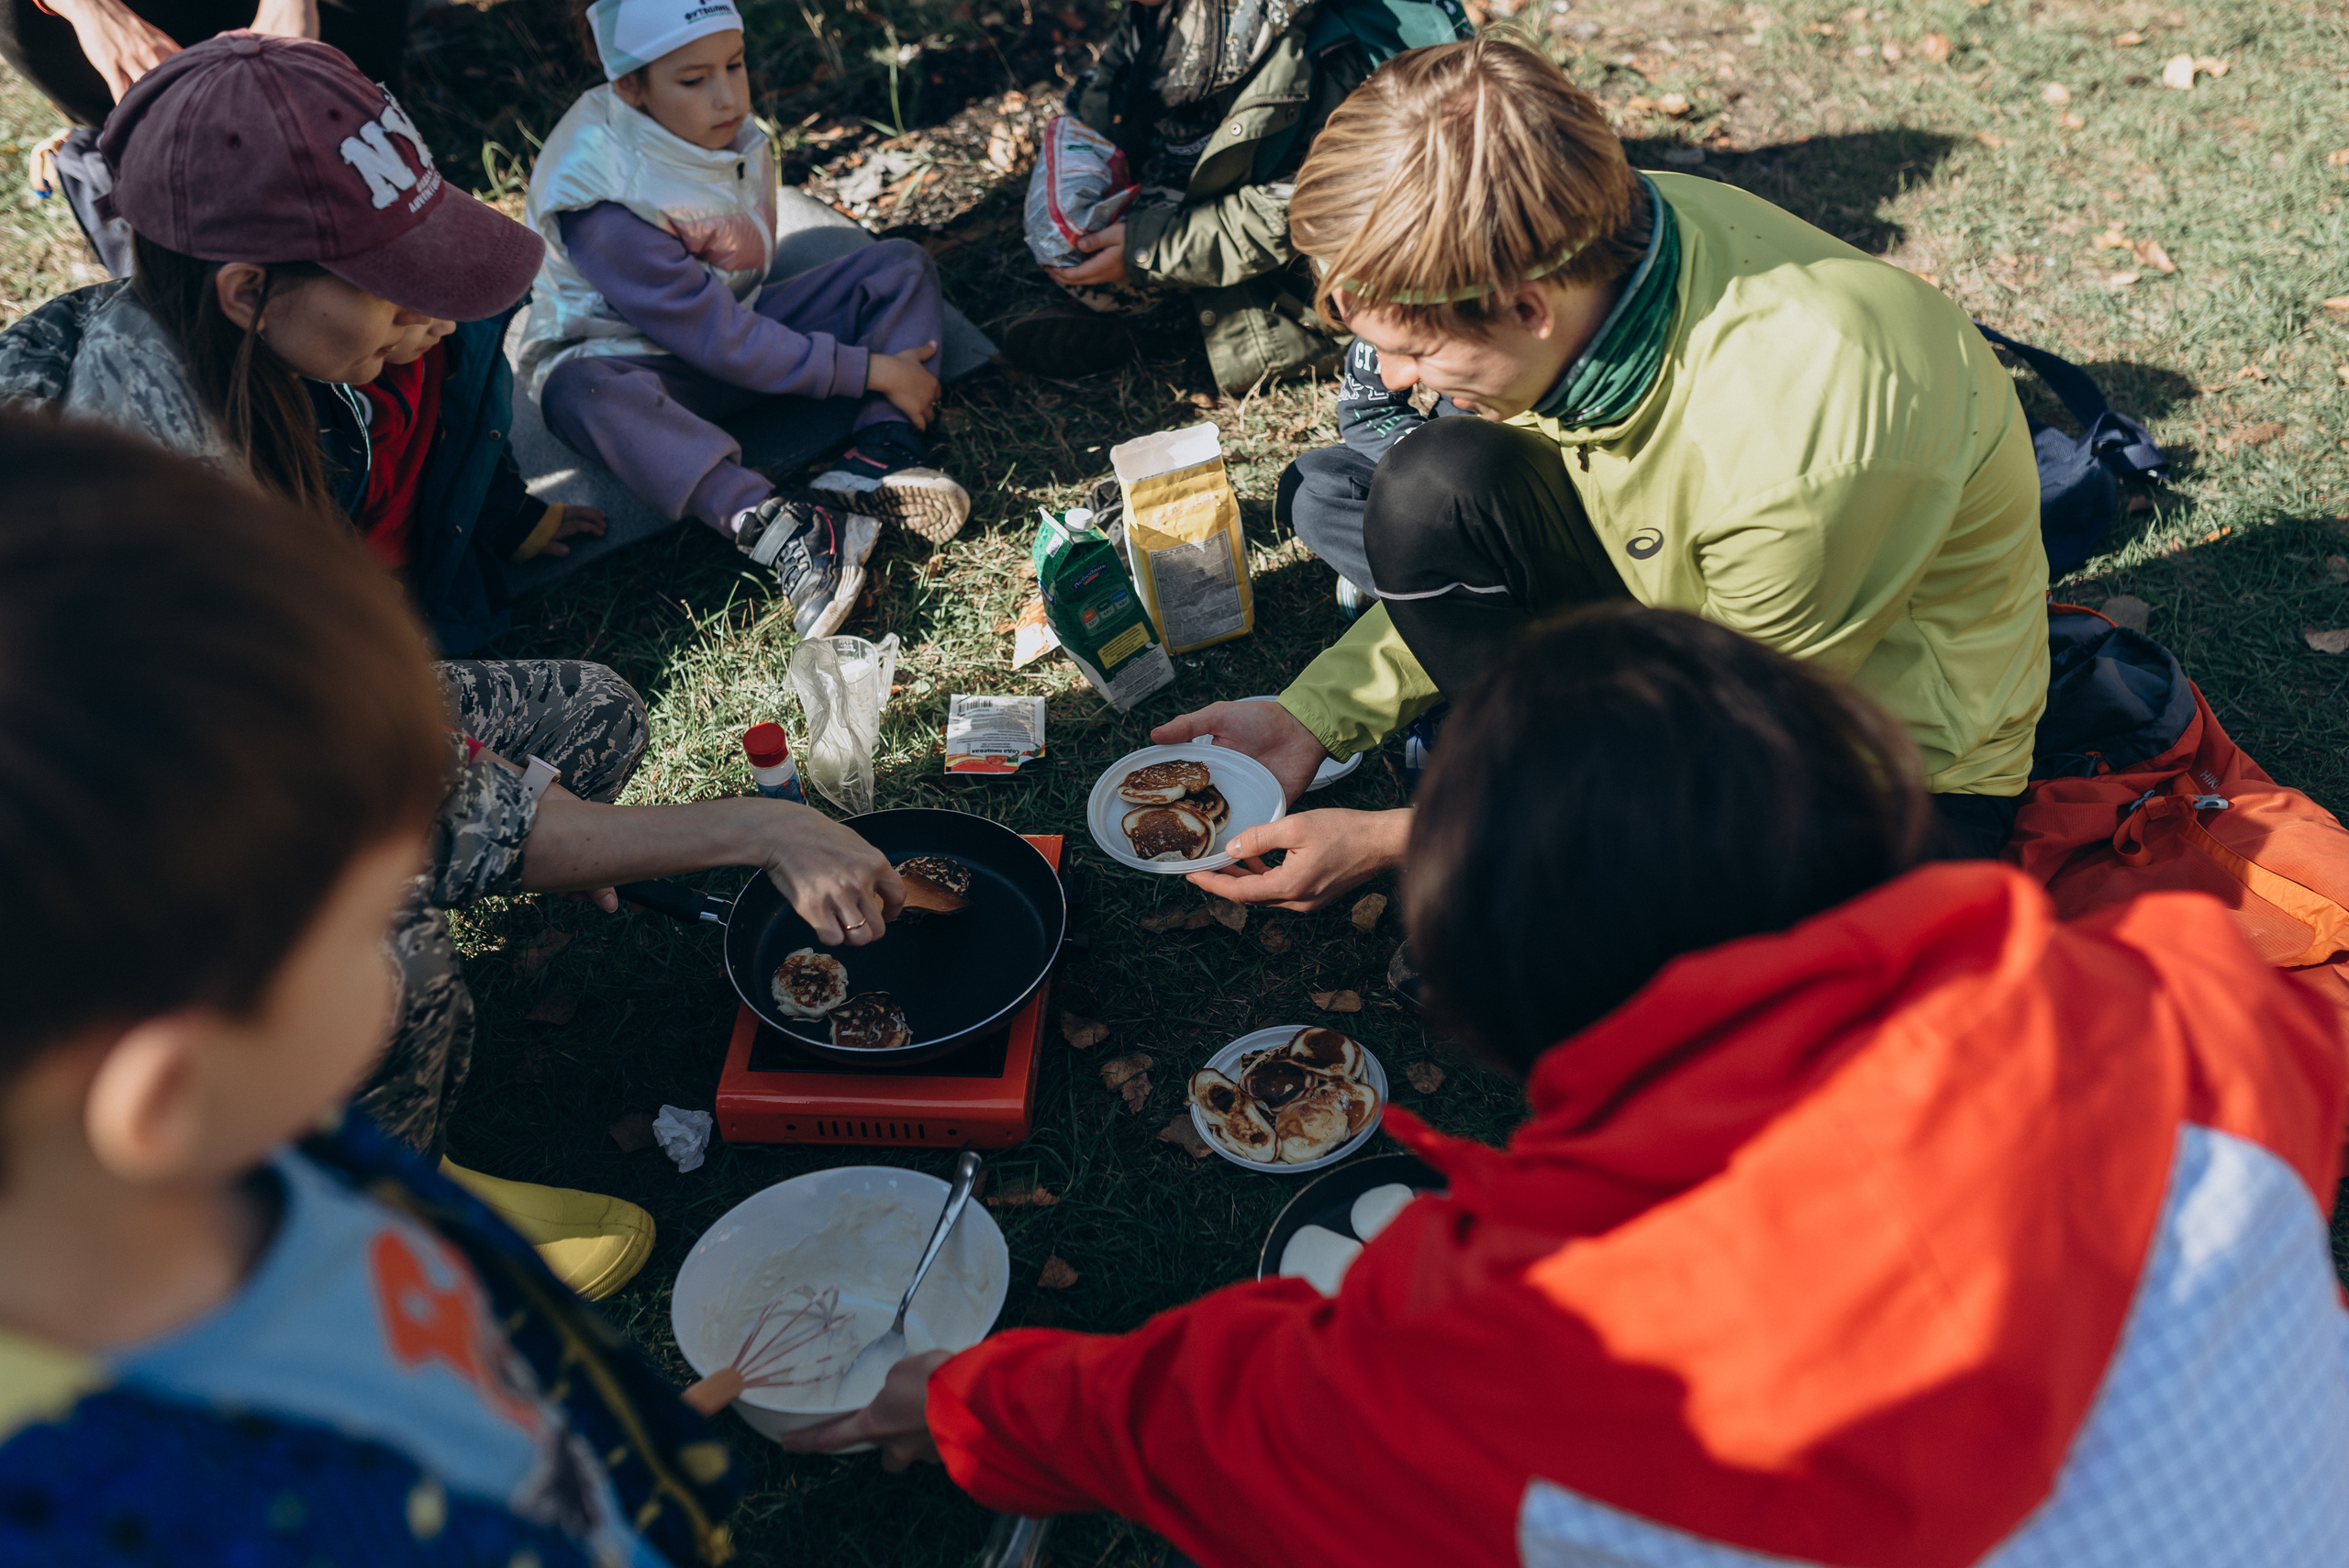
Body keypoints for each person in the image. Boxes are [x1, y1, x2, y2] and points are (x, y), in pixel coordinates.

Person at [776, 605, 2349, 1566]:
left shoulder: (1520, 1359)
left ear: (1489, 999)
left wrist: (961, 1399)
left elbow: (1200, 1418)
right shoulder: (2184, 1004)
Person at [0, 413, 748, 1568]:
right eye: (361, 927)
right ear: (169, 1088)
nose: (398, 934)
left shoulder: (271, 1159)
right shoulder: (169, 1511)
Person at [1154, 39, 2050, 911]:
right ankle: (1539, 791)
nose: (1389, 380)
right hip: (1685, 618)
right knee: (1433, 483)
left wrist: (1411, 836)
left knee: (1638, 957)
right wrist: (1311, 717)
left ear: (1526, 307)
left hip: (1868, 767)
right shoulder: (1599, 247)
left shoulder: (1802, 439)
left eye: (1412, 348)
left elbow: (1734, 757)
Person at [0, 32, 605, 655]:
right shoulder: (149, 505)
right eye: (394, 281)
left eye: (426, 251)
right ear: (247, 294)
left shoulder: (347, 343)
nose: (440, 319)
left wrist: (502, 517)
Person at [520, 0, 973, 639]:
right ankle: (780, 525)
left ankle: (878, 458)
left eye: (735, 64)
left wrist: (870, 381)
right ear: (630, 87)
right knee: (580, 395)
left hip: (733, 316)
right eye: (694, 79)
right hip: (629, 357)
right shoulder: (601, 197)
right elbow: (717, 341)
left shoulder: (704, 122)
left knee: (896, 267)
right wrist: (869, 368)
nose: (728, 95)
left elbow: (729, 322)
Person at [1001, 0, 1469, 391]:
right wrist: (1078, 166)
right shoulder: (1160, 12)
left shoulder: (1320, 40)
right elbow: (1111, 89)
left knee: (1330, 285)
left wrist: (1153, 247)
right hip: (1205, 204)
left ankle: (1188, 325)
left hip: (1311, 248)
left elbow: (1313, 206)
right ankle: (1169, 313)